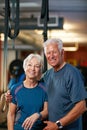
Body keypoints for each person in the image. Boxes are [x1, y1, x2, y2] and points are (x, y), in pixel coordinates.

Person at [6, 38, 87, 130]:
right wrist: (9, 94)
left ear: (62, 52)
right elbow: (31, 84)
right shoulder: (49, 75)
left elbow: (82, 107)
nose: (51, 56)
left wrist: (58, 124)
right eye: (48, 53)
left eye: (54, 52)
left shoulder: (72, 73)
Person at [7, 54, 48, 130]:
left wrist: (37, 115)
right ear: (25, 68)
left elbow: (47, 111)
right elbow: (11, 114)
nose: (33, 68)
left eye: (37, 66)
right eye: (29, 65)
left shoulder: (45, 88)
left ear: (40, 70)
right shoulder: (15, 89)